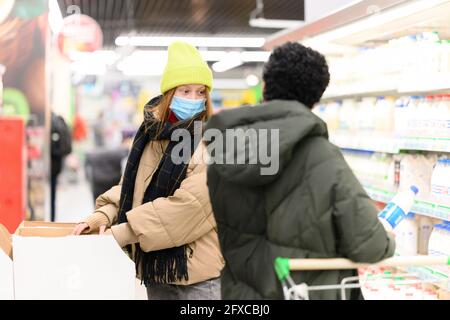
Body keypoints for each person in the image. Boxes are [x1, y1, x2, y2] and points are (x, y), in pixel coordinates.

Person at [204, 42, 395, 300]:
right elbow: (369, 246)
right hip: (303, 292)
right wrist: (388, 237)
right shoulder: (324, 158)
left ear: (265, 86)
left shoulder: (225, 151)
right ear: (315, 99)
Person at [72, 41, 224, 300]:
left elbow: (187, 208)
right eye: (185, 91)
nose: (194, 100)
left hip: (198, 278)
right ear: (169, 94)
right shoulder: (151, 136)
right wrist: (103, 215)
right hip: (157, 272)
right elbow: (133, 188)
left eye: (201, 93)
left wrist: (121, 232)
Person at [50, 112, 72, 222]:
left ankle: (51, 219)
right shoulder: (58, 119)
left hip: (51, 163)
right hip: (56, 164)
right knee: (52, 195)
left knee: (51, 194)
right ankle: (52, 218)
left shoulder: (51, 121)